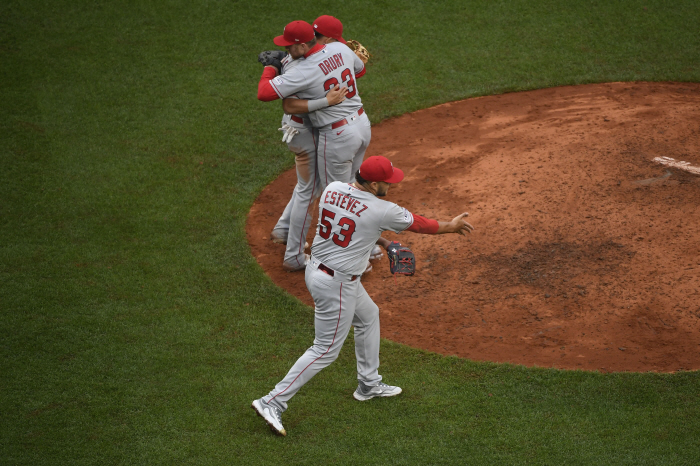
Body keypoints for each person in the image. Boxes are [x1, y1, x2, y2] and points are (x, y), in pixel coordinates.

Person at [251, 155, 475, 436]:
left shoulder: (333, 189)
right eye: (386, 182)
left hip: (317, 269)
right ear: (372, 183)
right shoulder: (383, 209)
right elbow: (421, 224)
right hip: (336, 285)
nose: (390, 186)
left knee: (369, 317)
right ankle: (272, 401)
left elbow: (353, 224)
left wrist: (384, 241)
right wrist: (452, 226)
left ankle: (368, 384)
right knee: (325, 349)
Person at [260, 17, 381, 271]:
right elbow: (359, 70)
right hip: (351, 125)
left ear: (305, 44)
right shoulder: (339, 49)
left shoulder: (302, 67)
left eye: (289, 46)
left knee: (329, 194)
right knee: (334, 189)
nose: (285, 49)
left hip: (332, 133)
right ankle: (358, 249)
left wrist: (272, 68)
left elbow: (270, 93)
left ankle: (348, 254)